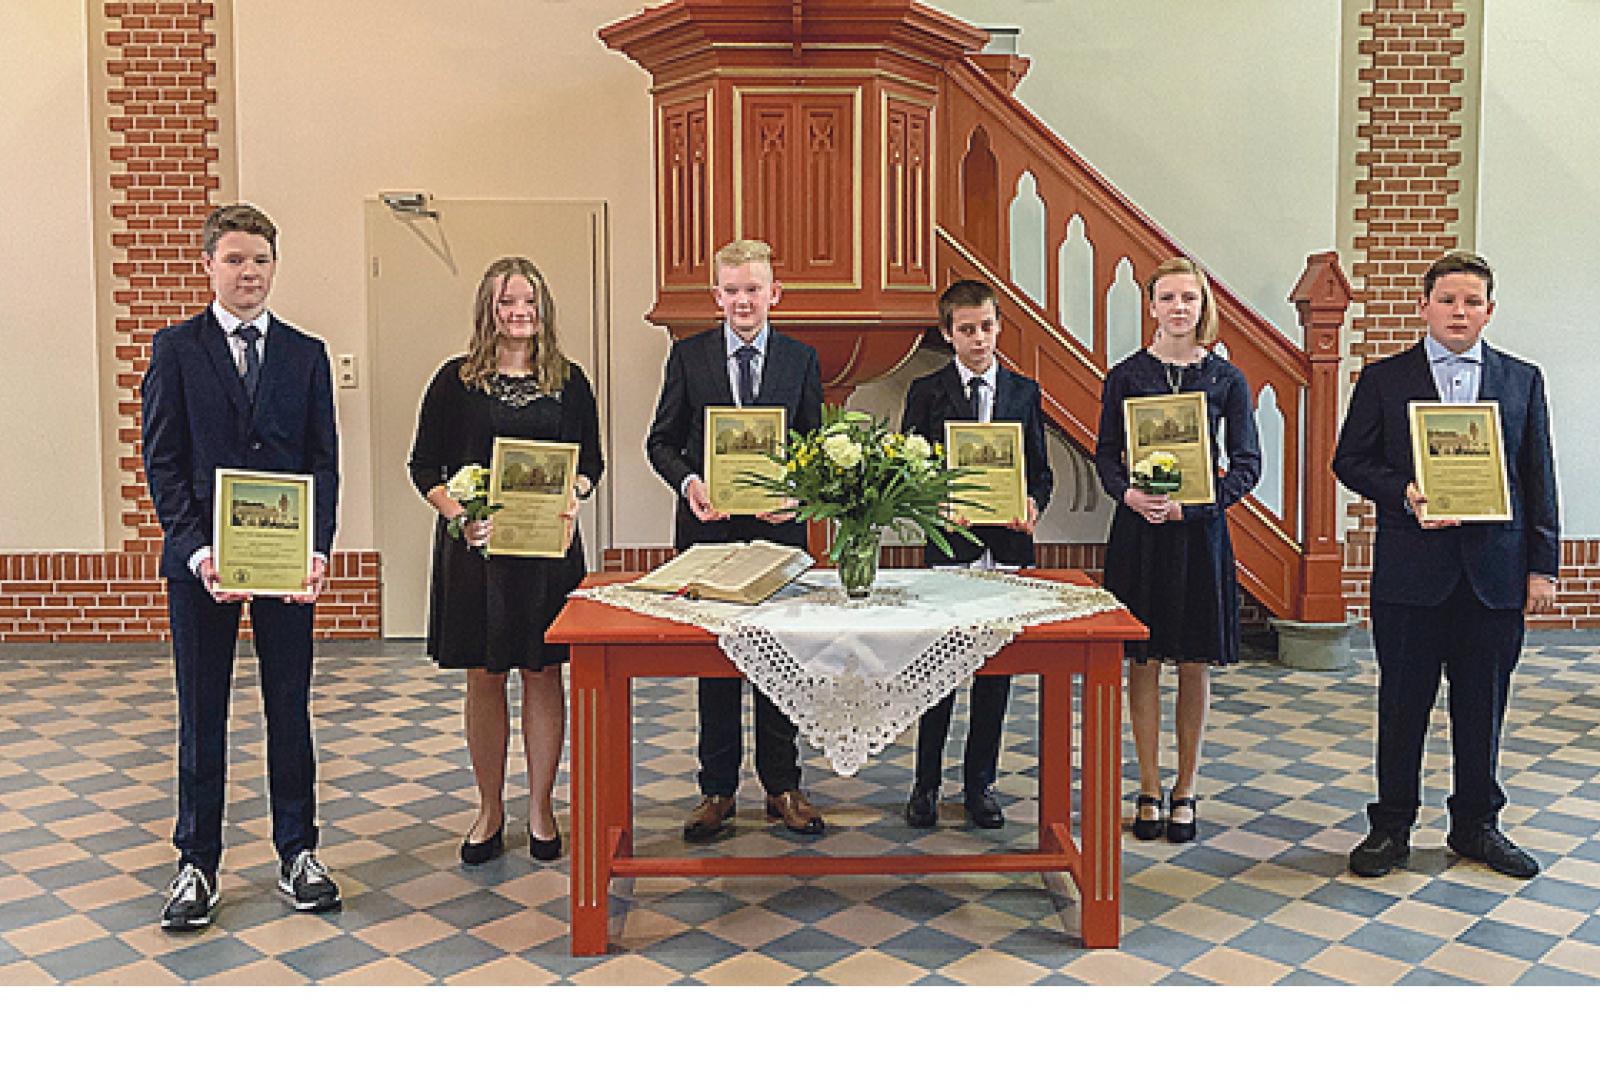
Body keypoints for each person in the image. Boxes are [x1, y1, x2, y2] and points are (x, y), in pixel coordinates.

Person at [142, 203, 342, 929]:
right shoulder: (176, 349)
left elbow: (323, 461)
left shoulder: (305, 354)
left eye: (259, 259)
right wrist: (196, 550)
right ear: (208, 266)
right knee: (203, 713)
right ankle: (197, 862)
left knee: (289, 707)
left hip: (285, 566)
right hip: (201, 566)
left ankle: (298, 852)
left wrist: (317, 548)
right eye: (233, 259)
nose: (248, 272)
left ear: (273, 266)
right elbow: (163, 461)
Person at [1333, 251, 1557, 879]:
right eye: (1448, 300)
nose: (1459, 312)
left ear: (1490, 311)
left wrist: (1543, 568)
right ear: (1424, 306)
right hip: (1411, 573)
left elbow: (1539, 475)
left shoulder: (1522, 380)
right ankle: (1391, 827)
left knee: (1483, 707)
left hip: (1495, 574)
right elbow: (1350, 460)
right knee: (1402, 706)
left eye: (1472, 302)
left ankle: (1476, 825)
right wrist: (1403, 491)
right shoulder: (1385, 378)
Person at [408, 257, 602, 865]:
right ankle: (489, 809)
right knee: (484, 678)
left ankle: (541, 807)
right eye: (506, 302)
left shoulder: (570, 382)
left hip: (546, 554)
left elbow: (591, 464)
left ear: (543, 309)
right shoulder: (454, 382)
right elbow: (423, 467)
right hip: (477, 555)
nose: (519, 313)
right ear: (487, 312)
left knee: (544, 674)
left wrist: (576, 494)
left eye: (528, 302)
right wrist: (459, 515)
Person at [645, 238, 826, 842]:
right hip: (709, 532)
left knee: (779, 660)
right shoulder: (689, 357)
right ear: (716, 296)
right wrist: (690, 482)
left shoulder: (800, 359)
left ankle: (782, 786)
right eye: (732, 290)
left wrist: (798, 493)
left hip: (779, 531)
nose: (743, 300)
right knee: (716, 663)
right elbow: (661, 442)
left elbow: (815, 447)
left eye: (754, 289)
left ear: (775, 293)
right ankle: (717, 789)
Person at [1093, 257, 1261, 845]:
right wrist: (1129, 495)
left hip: (1197, 534)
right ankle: (1147, 785)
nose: (1179, 307)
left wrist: (1196, 507)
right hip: (1140, 534)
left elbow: (1247, 464)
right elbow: (1106, 454)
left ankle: (1186, 788)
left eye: (1189, 297)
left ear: (1202, 305)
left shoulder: (1226, 379)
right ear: (1152, 307)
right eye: (1168, 297)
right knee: (1142, 661)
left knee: (1193, 662)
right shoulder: (1126, 376)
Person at [899, 279, 1053, 829]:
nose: (979, 338)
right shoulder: (926, 391)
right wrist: (934, 505)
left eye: (987, 326)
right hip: (950, 547)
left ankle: (979, 784)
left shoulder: (1023, 391)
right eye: (967, 330)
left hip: (1006, 548)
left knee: (995, 675)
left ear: (998, 326)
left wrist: (1032, 504)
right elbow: (909, 470)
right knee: (938, 672)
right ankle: (925, 783)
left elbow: (1040, 473)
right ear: (948, 334)